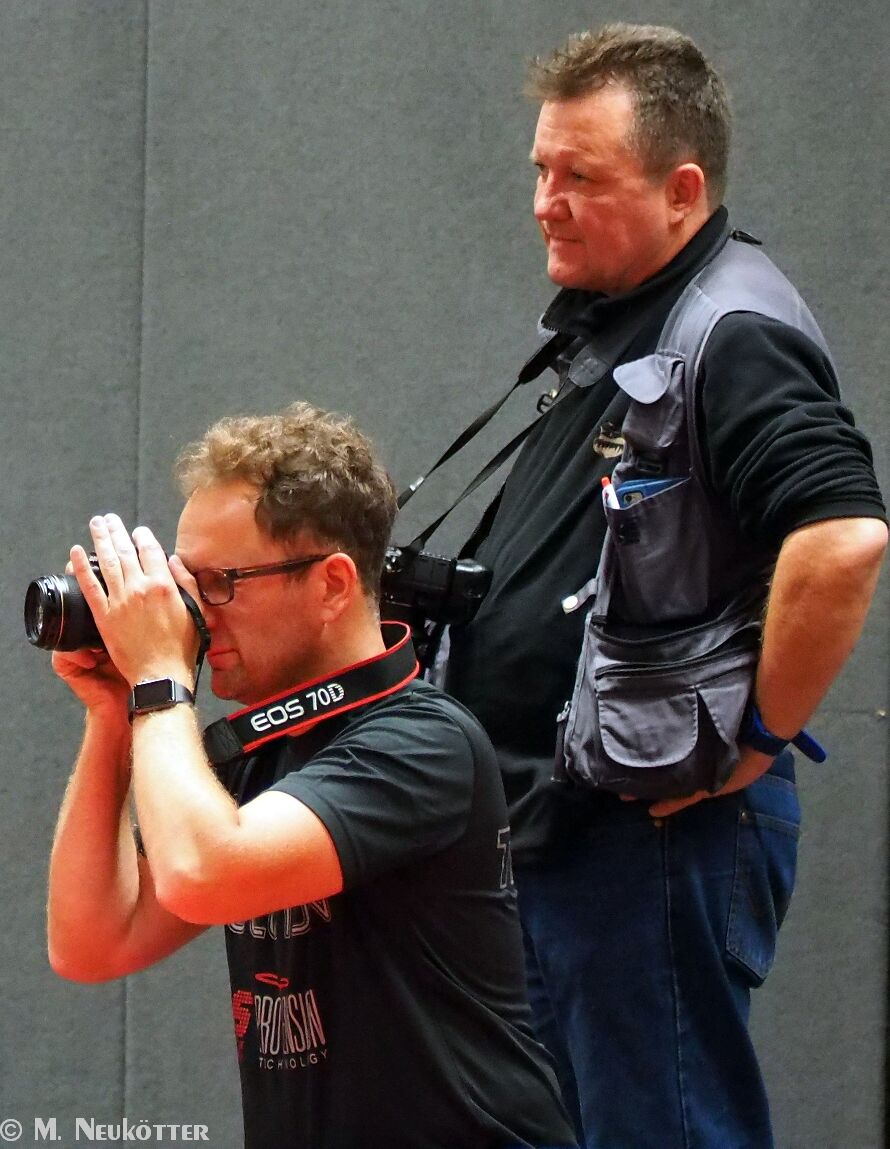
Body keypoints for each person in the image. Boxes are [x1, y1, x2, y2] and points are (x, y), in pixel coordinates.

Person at [445, 23, 887, 1149]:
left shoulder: (731, 330)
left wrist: (755, 738)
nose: (544, 203)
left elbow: (843, 538)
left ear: (682, 192)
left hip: (650, 838)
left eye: (579, 178)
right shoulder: (628, 312)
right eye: (540, 169)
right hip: (572, 829)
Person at [46, 402, 577, 1149]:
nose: (193, 614)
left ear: (331, 584)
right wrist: (113, 714)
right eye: (185, 583)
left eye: (220, 582)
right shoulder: (255, 754)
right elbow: (94, 942)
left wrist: (159, 676)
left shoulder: (422, 741)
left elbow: (204, 873)